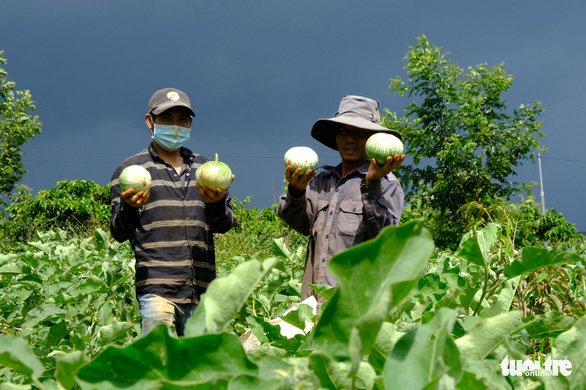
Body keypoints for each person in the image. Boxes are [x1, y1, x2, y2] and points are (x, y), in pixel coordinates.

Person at [109, 88, 235, 336]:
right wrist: (129, 207)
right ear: (150, 121)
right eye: (166, 119)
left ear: (191, 123)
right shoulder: (130, 170)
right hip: (157, 290)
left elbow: (225, 224)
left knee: (199, 370)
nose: (175, 126)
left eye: (182, 119)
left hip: (202, 291)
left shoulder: (206, 169)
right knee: (160, 363)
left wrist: (217, 203)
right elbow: (118, 232)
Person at [278, 95, 405, 302]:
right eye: (343, 131)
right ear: (336, 135)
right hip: (312, 304)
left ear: (373, 138)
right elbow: (298, 221)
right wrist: (297, 190)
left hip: (354, 305)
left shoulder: (387, 184)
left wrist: (372, 185)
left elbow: (385, 240)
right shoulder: (321, 182)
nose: (349, 138)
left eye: (359, 132)